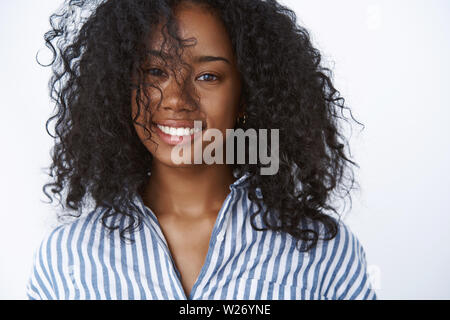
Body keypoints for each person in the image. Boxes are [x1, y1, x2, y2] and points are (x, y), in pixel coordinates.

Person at [26, 0, 377, 300]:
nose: (177, 99)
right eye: (155, 71)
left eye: (208, 76)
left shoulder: (323, 251)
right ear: (121, 83)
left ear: (246, 94)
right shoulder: (66, 259)